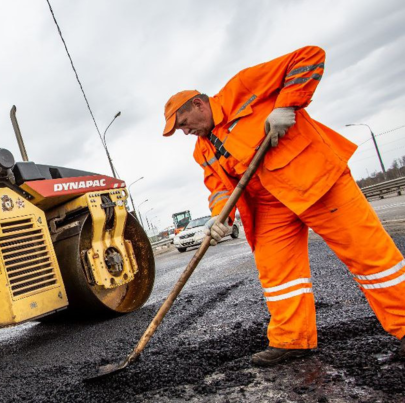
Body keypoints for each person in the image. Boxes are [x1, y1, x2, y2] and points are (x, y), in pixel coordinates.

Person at [162, 46, 404, 366]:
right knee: (277, 273)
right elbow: (219, 188)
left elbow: (309, 56)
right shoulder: (202, 150)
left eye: (182, 123)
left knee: (371, 257)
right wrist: (220, 217)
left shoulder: (242, 88)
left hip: (315, 182)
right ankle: (293, 339)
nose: (184, 131)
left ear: (197, 104)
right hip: (270, 206)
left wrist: (287, 104)